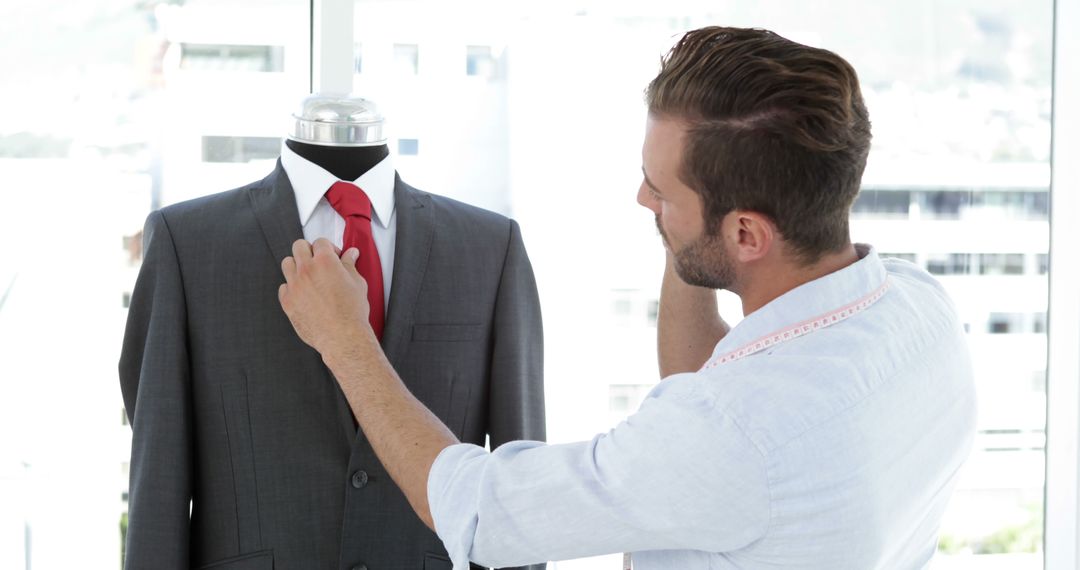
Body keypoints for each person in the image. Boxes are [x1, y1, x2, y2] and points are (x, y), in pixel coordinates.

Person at [276, 26, 977, 570]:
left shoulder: (730, 434)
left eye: (662, 192)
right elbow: (708, 388)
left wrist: (346, 340)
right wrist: (684, 224)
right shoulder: (918, 309)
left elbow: (480, 510)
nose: (642, 198)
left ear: (746, 232)